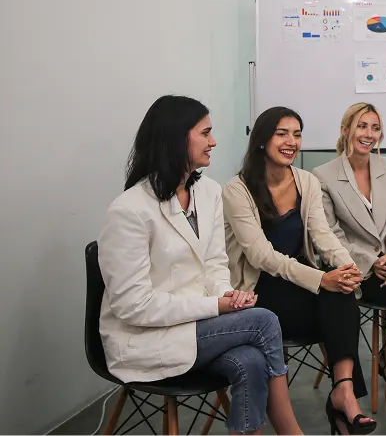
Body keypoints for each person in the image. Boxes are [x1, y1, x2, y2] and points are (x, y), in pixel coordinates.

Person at [98, 96, 304, 436]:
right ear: (178, 138)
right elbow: (133, 306)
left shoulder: (207, 191)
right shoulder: (129, 211)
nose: (214, 141)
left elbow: (215, 261)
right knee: (265, 322)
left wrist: (228, 295)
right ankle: (291, 432)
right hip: (145, 338)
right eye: (206, 133)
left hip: (197, 326)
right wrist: (215, 306)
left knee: (251, 361)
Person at [223, 107, 376, 435]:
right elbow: (261, 255)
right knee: (329, 290)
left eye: (297, 134)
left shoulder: (306, 181)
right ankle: (340, 402)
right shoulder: (237, 190)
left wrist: (345, 266)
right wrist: (321, 279)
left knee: (341, 291)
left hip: (299, 283)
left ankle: (344, 392)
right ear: (262, 140)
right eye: (282, 133)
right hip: (257, 293)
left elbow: (323, 236)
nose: (291, 141)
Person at [312, 102, 386, 389]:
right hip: (357, 270)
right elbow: (331, 236)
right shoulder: (323, 176)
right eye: (362, 126)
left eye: (375, 128)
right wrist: (372, 261)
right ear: (346, 130)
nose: (369, 134)